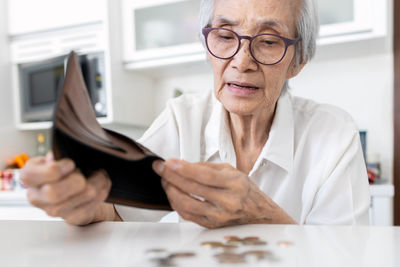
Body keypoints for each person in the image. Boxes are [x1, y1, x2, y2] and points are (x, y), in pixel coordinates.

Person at [20, 0, 370, 228]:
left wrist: (260, 214)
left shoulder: (333, 135)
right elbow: (116, 210)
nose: (241, 62)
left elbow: (347, 258)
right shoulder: (182, 118)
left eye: (267, 41)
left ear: (298, 61)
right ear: (207, 45)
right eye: (224, 35)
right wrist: (76, 202)